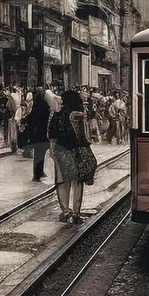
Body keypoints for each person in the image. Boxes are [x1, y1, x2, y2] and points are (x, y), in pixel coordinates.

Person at [53, 89, 96, 223]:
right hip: (78, 152)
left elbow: (52, 136)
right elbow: (87, 137)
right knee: (78, 181)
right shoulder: (81, 117)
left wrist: (52, 152)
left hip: (61, 150)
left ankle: (65, 211)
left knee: (62, 181)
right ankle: (76, 212)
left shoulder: (57, 116)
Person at [25, 84, 54, 183]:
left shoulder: (39, 104)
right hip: (42, 133)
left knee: (39, 154)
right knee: (40, 153)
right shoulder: (43, 104)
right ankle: (38, 173)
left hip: (38, 132)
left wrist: (25, 120)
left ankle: (38, 173)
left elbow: (32, 116)